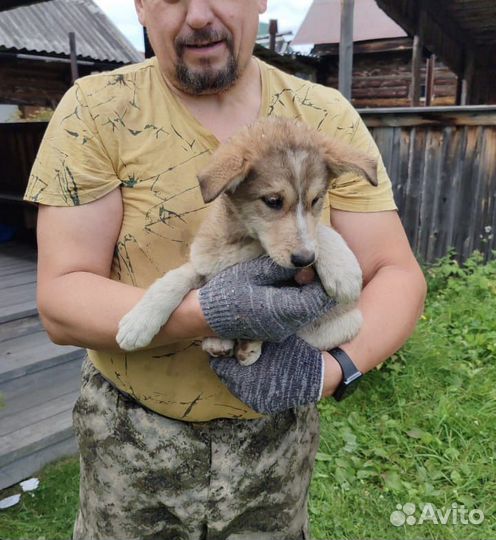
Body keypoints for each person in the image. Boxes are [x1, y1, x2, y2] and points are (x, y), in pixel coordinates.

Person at [24, 0, 427, 538]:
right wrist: (208, 313)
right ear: (141, 6)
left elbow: (396, 274)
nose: (197, 15)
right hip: (131, 439)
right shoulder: (96, 110)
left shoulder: (322, 116)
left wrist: (330, 371)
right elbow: (61, 301)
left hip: (275, 446)